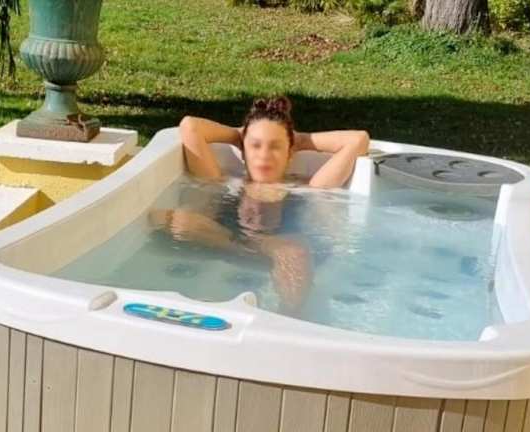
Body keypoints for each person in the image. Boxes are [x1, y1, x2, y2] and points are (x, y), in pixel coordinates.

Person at [149, 96, 370, 311]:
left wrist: (299, 140)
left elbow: (357, 140)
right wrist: (238, 135)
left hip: (284, 253)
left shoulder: (307, 188)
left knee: (293, 252)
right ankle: (245, 250)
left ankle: (288, 319)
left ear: (290, 152)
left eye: (275, 146)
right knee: (180, 221)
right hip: (227, 243)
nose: (264, 155)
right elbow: (190, 126)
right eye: (255, 145)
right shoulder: (223, 181)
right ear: (243, 150)